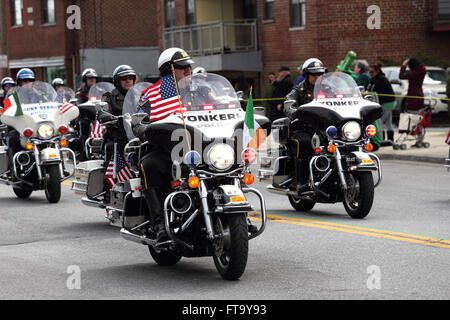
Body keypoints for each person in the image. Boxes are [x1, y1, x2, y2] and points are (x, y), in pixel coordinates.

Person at [133, 47, 195, 242]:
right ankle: (159, 222)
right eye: (182, 67)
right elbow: (138, 122)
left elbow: (223, 107)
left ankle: (237, 214)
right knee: (149, 165)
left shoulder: (201, 89)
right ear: (168, 70)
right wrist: (143, 128)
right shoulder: (151, 94)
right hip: (167, 150)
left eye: (189, 66)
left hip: (201, 148)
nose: (188, 70)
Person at [284, 58, 326, 189]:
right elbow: (289, 101)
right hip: (304, 129)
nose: (317, 77)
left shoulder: (328, 89)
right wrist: (292, 110)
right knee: (304, 143)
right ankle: (299, 181)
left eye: (320, 74)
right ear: (307, 75)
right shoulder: (299, 90)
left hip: (324, 128)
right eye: (314, 74)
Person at [98, 64, 137, 163]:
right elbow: (102, 112)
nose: (128, 81)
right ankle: (109, 177)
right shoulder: (109, 96)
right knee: (111, 149)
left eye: (130, 78)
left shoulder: (139, 95)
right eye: (124, 79)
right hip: (118, 137)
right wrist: (115, 118)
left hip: (137, 135)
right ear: (117, 82)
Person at [399, 58, 427, 146]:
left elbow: (401, 76)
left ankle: (417, 138)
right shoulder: (421, 71)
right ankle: (420, 139)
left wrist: (403, 65)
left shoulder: (414, 73)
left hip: (413, 97)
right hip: (419, 96)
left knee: (412, 118)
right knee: (419, 119)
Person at [367, 64, 396, 143]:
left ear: (377, 71)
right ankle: (390, 139)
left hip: (386, 103)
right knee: (388, 122)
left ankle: (382, 139)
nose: (370, 74)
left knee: (380, 122)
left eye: (372, 72)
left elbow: (379, 92)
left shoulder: (381, 80)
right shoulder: (374, 79)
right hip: (386, 103)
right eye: (369, 72)